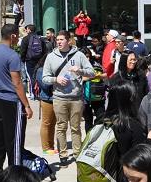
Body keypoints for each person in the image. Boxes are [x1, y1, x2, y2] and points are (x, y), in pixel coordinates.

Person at [42, 30, 95, 164]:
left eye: (61, 40)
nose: (58, 42)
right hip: (59, 98)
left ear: (69, 41)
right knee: (61, 127)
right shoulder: (51, 57)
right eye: (57, 40)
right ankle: (63, 155)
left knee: (76, 127)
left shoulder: (79, 55)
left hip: (76, 98)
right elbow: (44, 78)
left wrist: (80, 70)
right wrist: (56, 79)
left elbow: (92, 72)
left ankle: (77, 154)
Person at [0, 24, 32, 180]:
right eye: (17, 36)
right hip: (11, 101)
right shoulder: (12, 56)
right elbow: (17, 83)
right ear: (13, 36)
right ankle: (14, 175)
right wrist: (26, 105)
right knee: (14, 139)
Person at [34, 54, 57, 155]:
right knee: (46, 123)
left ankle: (51, 146)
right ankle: (45, 148)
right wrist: (55, 80)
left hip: (55, 98)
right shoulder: (41, 70)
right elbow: (45, 86)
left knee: (52, 124)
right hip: (47, 99)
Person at [19, 24, 46, 97]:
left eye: (26, 29)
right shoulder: (40, 38)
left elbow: (23, 51)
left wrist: (23, 60)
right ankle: (40, 92)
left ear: (29, 30)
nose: (26, 30)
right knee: (39, 76)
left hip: (29, 61)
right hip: (39, 61)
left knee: (31, 77)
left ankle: (34, 94)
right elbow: (44, 51)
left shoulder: (25, 39)